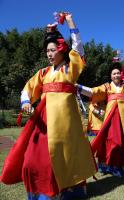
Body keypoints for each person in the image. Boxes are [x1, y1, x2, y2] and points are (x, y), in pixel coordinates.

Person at [0, 12, 96, 199]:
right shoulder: (43, 73)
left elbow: (79, 48)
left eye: (53, 50)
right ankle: (42, 193)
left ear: (61, 49)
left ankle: (69, 192)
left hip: (66, 124)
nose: (50, 54)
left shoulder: (71, 69)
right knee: (33, 160)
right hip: (44, 123)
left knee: (67, 158)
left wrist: (69, 21)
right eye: (47, 51)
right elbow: (27, 89)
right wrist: (26, 101)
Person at [77, 47, 124, 177]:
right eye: (113, 73)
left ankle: (123, 166)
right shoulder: (106, 87)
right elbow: (93, 91)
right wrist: (78, 87)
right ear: (110, 75)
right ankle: (109, 166)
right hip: (111, 120)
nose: (116, 75)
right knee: (112, 142)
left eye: (118, 73)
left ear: (121, 74)